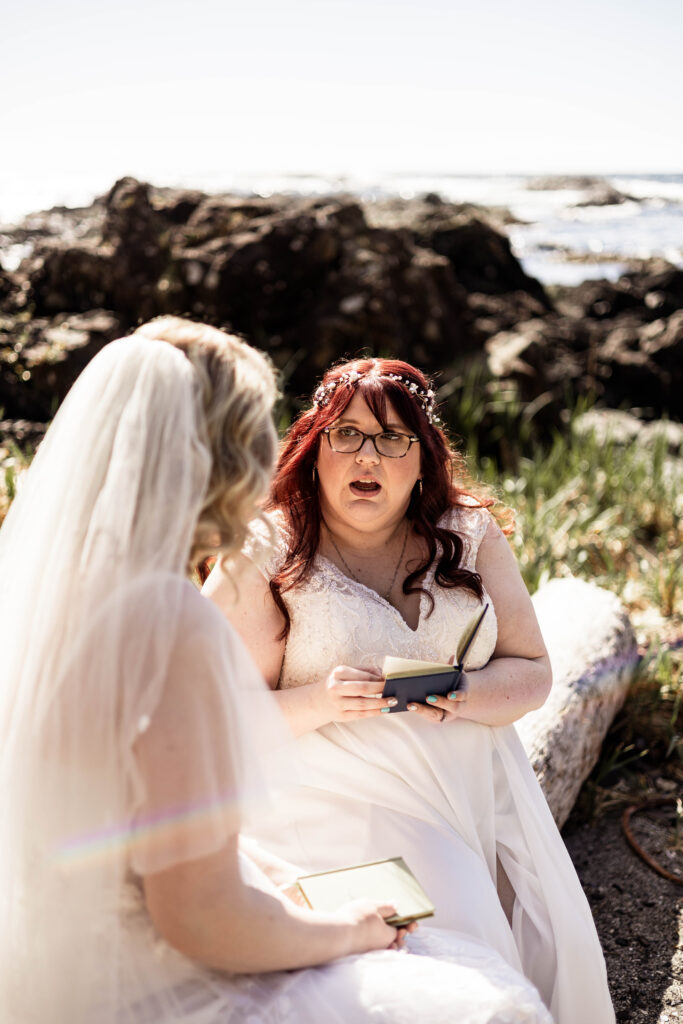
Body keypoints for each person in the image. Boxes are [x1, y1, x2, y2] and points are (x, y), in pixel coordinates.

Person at [0, 320, 552, 1024]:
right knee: (486, 1006)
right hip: (145, 983)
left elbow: (144, 834)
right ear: (224, 460)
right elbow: (199, 917)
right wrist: (352, 929)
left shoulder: (51, 607)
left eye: (391, 439)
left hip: (51, 962)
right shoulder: (172, 627)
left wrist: (272, 883)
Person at [204, 357, 616, 1024]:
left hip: (464, 793)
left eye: (392, 437)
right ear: (314, 450)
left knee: (481, 945)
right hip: (322, 799)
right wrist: (317, 701)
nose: (367, 454)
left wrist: (462, 690)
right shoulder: (267, 549)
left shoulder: (468, 532)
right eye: (346, 434)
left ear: (421, 459)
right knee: (432, 954)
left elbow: (532, 671)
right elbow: (214, 723)